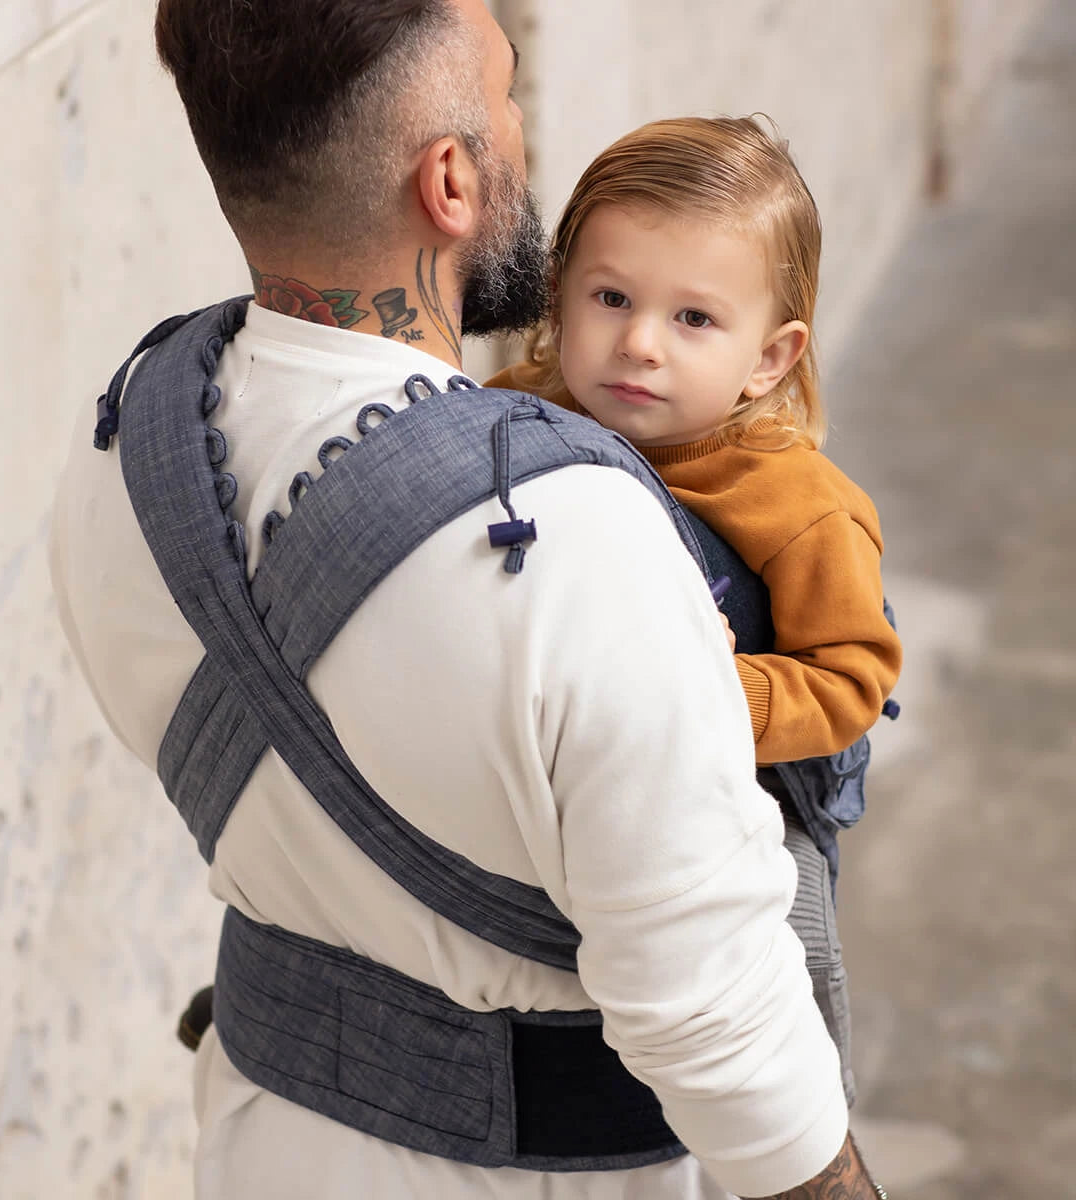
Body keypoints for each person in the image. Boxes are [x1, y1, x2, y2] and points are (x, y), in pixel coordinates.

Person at [48, 2, 887, 1196]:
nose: (522, 131)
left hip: (263, 1144)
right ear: (449, 178)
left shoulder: (124, 454)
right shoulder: (578, 539)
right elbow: (716, 1006)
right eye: (507, 98)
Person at [486, 116, 903, 1108]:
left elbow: (854, 678)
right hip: (565, 778)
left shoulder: (796, 503)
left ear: (770, 356)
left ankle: (808, 1142)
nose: (638, 344)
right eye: (612, 298)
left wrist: (714, 688)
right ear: (560, 295)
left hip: (749, 805)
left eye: (694, 320)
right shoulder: (512, 415)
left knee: (782, 980)